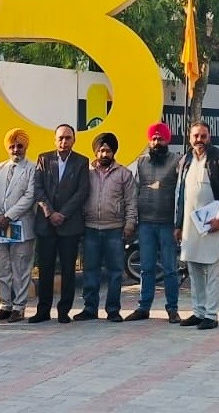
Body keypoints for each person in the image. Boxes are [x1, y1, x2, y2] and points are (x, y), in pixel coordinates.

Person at [175, 121, 219, 330]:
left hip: (213, 224)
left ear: (209, 137)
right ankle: (198, 311)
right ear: (189, 137)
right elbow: (179, 195)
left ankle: (211, 314)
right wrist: (178, 224)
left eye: (203, 136)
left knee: (213, 270)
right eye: (195, 136)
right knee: (194, 270)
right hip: (190, 226)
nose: (199, 140)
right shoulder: (186, 160)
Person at [30, 124, 90, 324]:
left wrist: (63, 214)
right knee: (45, 269)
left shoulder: (81, 161)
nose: (64, 141)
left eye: (68, 138)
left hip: (69, 224)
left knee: (68, 270)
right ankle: (43, 311)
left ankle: (64, 311)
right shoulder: (44, 159)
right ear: (54, 140)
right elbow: (38, 189)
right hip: (46, 224)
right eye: (60, 138)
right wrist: (50, 212)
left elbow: (82, 192)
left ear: (74, 140)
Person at [74, 132, 137, 322]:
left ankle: (113, 310)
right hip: (90, 228)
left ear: (113, 152)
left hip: (115, 229)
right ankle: (90, 308)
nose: (104, 154)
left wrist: (130, 224)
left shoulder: (124, 174)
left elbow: (131, 201)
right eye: (101, 150)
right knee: (90, 271)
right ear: (95, 152)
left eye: (108, 151)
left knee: (115, 272)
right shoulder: (86, 173)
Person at [125, 122, 182, 323]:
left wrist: (179, 223)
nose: (157, 142)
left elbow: (181, 193)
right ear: (149, 141)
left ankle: (172, 309)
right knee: (146, 268)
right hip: (146, 223)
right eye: (154, 139)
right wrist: (133, 220)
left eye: (161, 139)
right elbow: (134, 191)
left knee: (169, 269)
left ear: (167, 140)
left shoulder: (177, 161)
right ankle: (143, 307)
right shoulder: (141, 162)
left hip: (167, 223)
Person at [0, 128, 38, 323]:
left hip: (21, 225)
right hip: (0, 226)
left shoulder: (33, 168)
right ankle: (4, 306)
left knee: (21, 268)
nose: (16, 150)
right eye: (12, 146)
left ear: (26, 147)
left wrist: (8, 216)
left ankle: (19, 307)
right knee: (2, 266)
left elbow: (30, 196)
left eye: (20, 146)